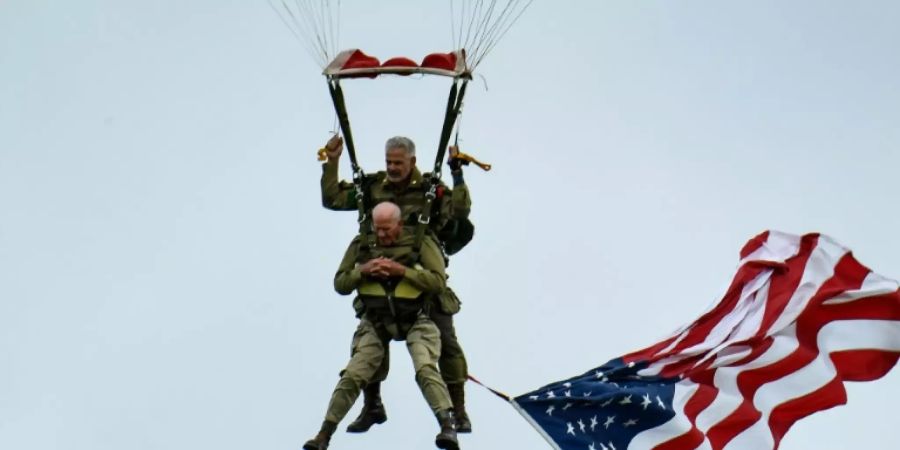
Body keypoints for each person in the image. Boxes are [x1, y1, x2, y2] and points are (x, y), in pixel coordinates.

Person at [319, 135, 473, 432]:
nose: (391, 167)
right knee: (368, 341)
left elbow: (461, 211)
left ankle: (459, 410)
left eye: (397, 163)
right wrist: (333, 162)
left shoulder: (432, 191)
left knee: (447, 345)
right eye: (388, 161)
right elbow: (333, 199)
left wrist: (457, 173)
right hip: (378, 278)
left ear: (412, 162)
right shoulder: (373, 189)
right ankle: (372, 405)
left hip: (422, 278)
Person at [303, 202, 459, 450]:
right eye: (378, 229)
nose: (382, 235)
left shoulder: (421, 242)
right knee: (354, 373)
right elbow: (341, 283)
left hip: (417, 316)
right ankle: (324, 434)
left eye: (387, 229)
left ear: (399, 224)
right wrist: (362, 271)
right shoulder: (362, 244)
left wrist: (402, 271)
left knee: (425, 367)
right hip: (376, 319)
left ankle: (448, 424)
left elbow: (437, 283)